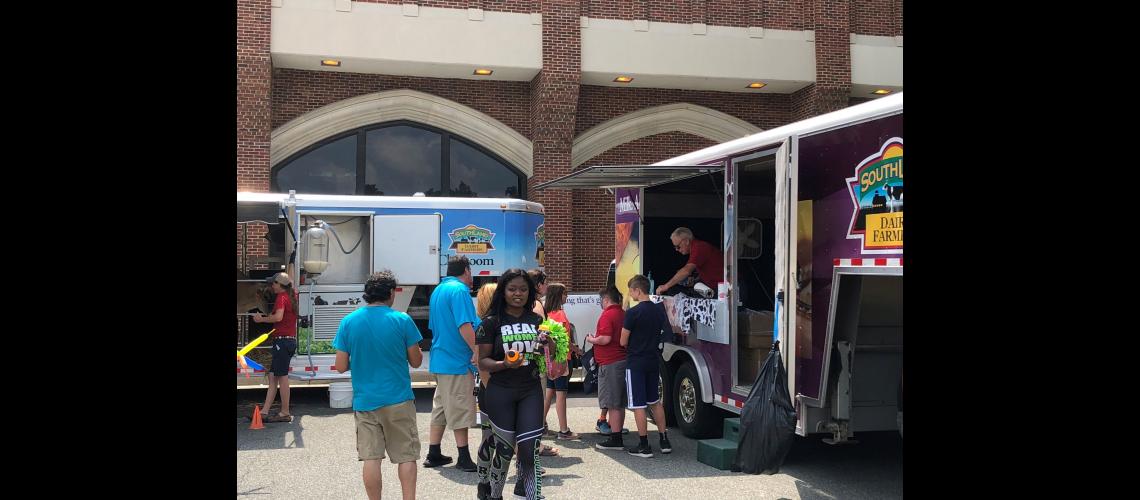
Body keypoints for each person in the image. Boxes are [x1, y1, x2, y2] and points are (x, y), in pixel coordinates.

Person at [333, 270, 424, 500]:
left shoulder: (349, 322)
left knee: (371, 458)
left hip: (365, 401)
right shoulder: (402, 320)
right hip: (398, 398)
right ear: (391, 292)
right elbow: (416, 361)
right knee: (406, 456)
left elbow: (340, 366)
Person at [475, 269, 547, 500]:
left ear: (530, 292)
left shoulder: (537, 320)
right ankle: (492, 492)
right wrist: (504, 364)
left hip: (530, 390)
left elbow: (543, 355)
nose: (518, 293)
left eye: (523, 289)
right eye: (512, 289)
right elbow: (482, 361)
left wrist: (549, 346)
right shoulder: (491, 323)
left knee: (529, 448)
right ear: (503, 292)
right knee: (504, 450)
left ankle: (530, 494)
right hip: (500, 391)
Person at [425, 256, 480, 471]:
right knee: (460, 408)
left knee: (440, 407)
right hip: (456, 360)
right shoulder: (459, 291)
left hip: (440, 358)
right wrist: (476, 350)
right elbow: (464, 325)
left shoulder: (438, 290)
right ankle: (463, 457)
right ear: (466, 270)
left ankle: (434, 452)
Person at [620, 275, 672, 458]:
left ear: (637, 290)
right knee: (655, 401)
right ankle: (664, 440)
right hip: (653, 360)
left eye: (631, 291)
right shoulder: (658, 310)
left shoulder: (632, 313)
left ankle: (644, 445)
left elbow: (623, 340)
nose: (630, 294)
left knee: (638, 405)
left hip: (636, 361)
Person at [252, 272, 299, 423]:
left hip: (282, 343)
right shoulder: (292, 294)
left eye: (274, 283)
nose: (271, 285)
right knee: (273, 376)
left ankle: (285, 412)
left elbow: (278, 317)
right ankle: (264, 411)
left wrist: (261, 319)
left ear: (280, 285)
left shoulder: (281, 297)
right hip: (287, 341)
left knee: (282, 377)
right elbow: (291, 280)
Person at [587, 286, 629, 450]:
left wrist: (592, 339)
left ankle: (616, 439)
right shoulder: (623, 314)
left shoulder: (607, 315)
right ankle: (617, 432)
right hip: (622, 360)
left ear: (606, 299)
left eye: (601, 300)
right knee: (619, 402)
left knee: (612, 403)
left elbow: (605, 339)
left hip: (610, 363)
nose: (601, 303)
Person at [541, 283, 581, 441]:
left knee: (549, 393)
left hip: (549, 360)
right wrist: (576, 349)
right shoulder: (560, 315)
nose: (567, 296)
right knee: (561, 395)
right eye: (565, 294)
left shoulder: (546, 314)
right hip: (562, 359)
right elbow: (564, 340)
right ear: (558, 295)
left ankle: (540, 426)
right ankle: (564, 430)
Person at [655, 227, 725, 296]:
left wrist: (666, 286)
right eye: (675, 247)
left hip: (721, 290)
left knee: (673, 291)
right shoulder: (697, 247)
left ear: (686, 241)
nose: (676, 249)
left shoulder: (699, 247)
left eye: (678, 246)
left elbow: (686, 271)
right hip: (713, 288)